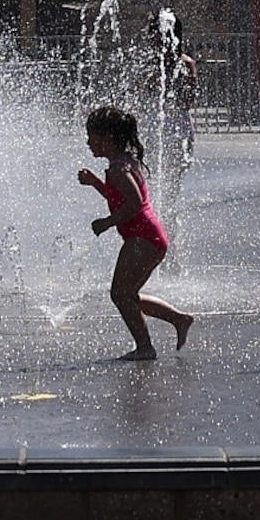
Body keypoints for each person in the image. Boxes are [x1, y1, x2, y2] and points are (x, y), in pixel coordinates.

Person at [78, 103, 192, 358]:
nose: (88, 143)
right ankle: (178, 319)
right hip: (148, 237)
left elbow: (134, 203)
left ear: (107, 138)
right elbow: (119, 196)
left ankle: (145, 347)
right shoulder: (122, 163)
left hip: (143, 238)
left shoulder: (118, 169)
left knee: (120, 293)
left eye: (91, 137)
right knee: (127, 294)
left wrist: (107, 222)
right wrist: (95, 182)